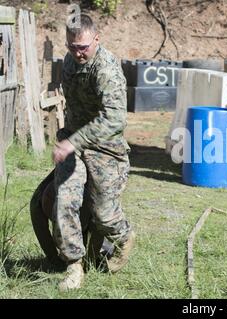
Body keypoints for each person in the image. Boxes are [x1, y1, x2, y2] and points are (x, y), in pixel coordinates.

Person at [52, 13, 135, 291]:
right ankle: (74, 265)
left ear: (96, 39)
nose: (78, 53)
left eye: (83, 47)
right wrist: (69, 140)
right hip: (72, 143)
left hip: (105, 147)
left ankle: (124, 237)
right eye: (72, 47)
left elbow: (115, 120)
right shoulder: (69, 61)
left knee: (104, 215)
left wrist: (74, 141)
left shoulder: (107, 69)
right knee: (64, 200)